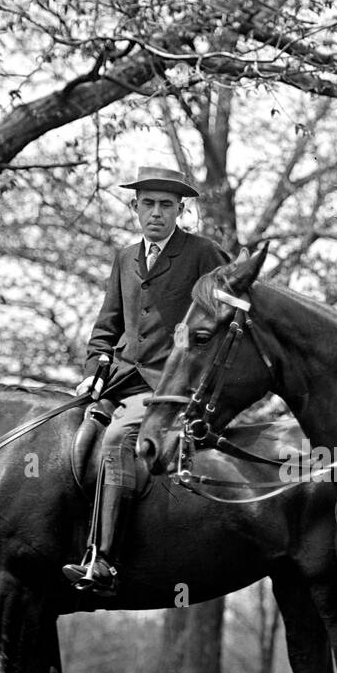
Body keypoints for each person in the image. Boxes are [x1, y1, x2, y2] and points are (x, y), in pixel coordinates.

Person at [63, 165, 228, 595]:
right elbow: (107, 326)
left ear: (180, 211)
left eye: (166, 206)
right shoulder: (123, 258)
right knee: (61, 432)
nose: (156, 213)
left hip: (168, 386)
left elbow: (224, 320)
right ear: (135, 208)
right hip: (120, 377)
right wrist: (91, 372)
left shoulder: (202, 254)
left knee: (117, 439)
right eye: (148, 204)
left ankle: (103, 561)